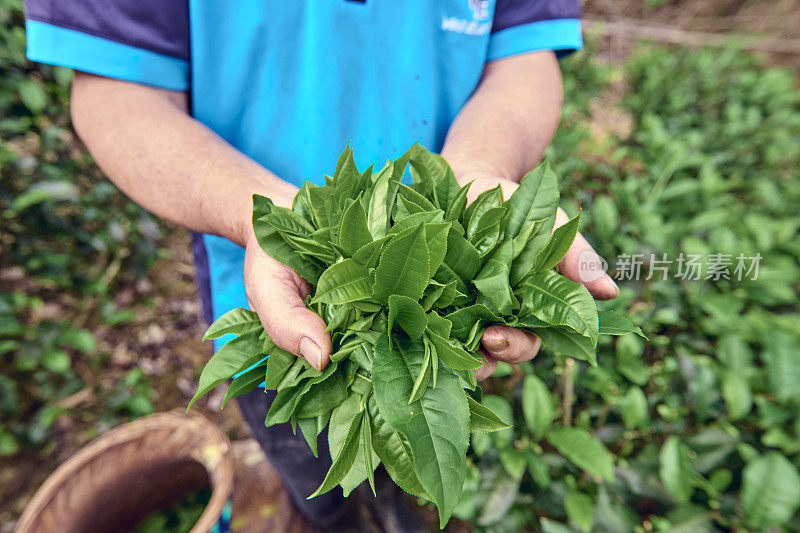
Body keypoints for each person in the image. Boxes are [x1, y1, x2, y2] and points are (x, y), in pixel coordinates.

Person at [24, 0, 619, 529]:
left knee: (422, 455)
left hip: (445, 283)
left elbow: (523, 53)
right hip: (274, 303)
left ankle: (397, 509)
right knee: (312, 468)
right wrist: (269, 222)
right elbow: (118, 91)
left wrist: (479, 173)